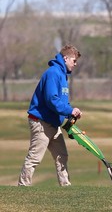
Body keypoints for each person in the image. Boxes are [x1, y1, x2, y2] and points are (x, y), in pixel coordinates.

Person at [18, 44, 82, 186]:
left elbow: (59, 101)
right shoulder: (53, 73)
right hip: (41, 122)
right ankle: (23, 187)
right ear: (65, 58)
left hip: (53, 123)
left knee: (62, 155)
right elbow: (51, 100)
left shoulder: (62, 75)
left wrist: (70, 112)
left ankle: (66, 186)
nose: (75, 64)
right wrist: (69, 110)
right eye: (74, 61)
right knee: (35, 157)